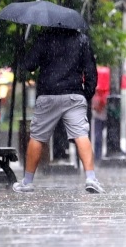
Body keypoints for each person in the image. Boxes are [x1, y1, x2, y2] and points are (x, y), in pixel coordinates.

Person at [13, 27, 105, 193]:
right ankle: (91, 178)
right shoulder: (81, 39)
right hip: (73, 94)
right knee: (81, 135)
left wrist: (23, 49)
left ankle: (27, 182)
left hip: (48, 94)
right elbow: (91, 70)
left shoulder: (44, 37)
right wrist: (86, 94)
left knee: (37, 137)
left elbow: (29, 65)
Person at [92, 88, 108, 162]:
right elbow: (95, 108)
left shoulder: (104, 98)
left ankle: (98, 155)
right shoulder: (96, 98)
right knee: (98, 138)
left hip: (100, 119)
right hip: (99, 119)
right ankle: (98, 155)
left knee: (98, 138)